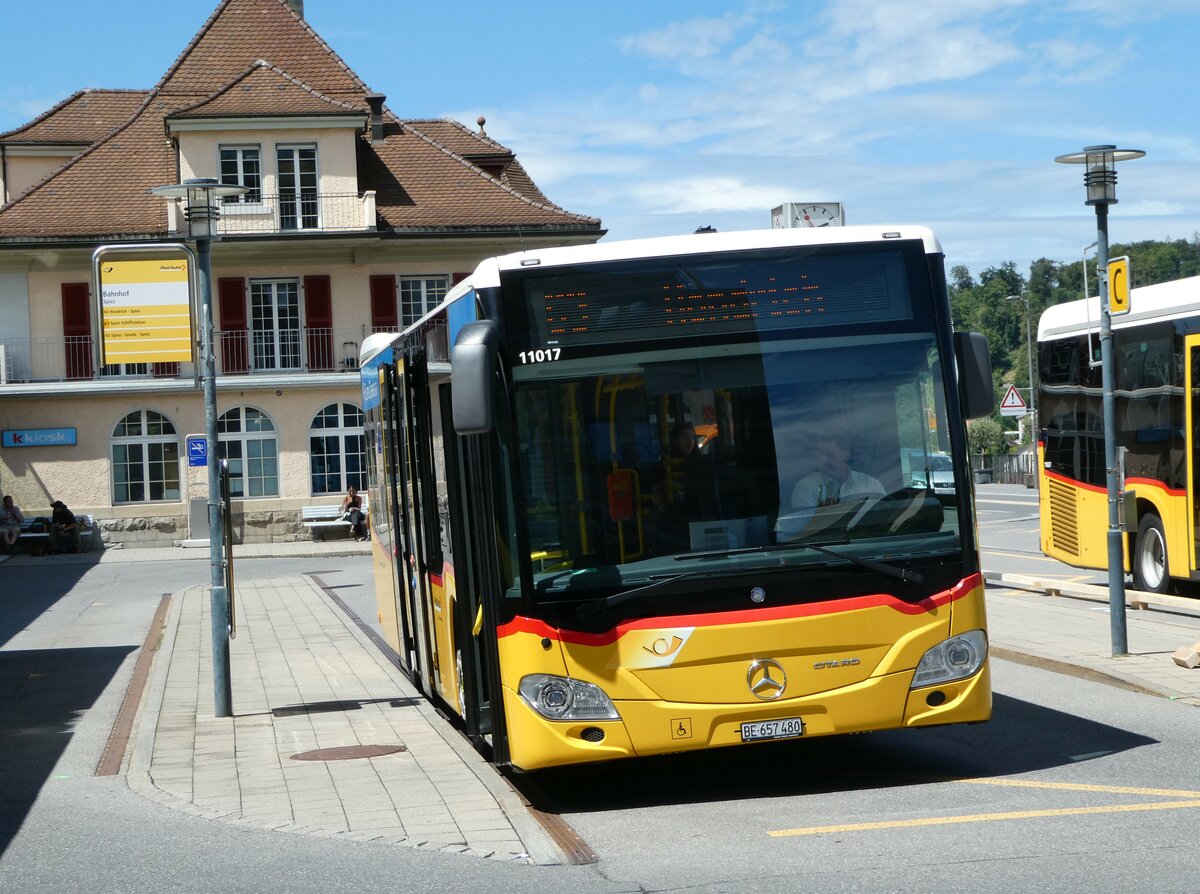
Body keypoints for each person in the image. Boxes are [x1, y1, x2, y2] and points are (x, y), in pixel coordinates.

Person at [791, 431, 886, 510]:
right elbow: (804, 529)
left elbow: (885, 519)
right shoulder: (805, 489)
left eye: (830, 455)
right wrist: (821, 513)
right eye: (819, 455)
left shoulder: (871, 485)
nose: (823, 461)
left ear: (846, 455)